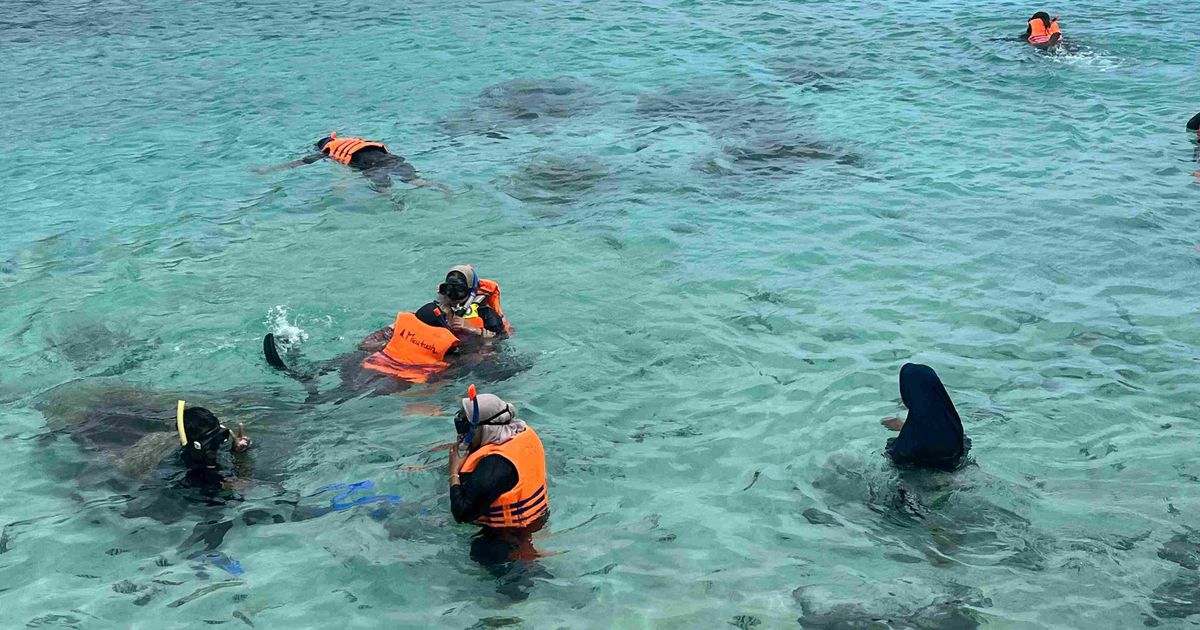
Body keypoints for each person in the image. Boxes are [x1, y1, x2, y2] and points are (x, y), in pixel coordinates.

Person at [447, 386, 549, 599]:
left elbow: (462, 514)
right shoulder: (518, 434)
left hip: (504, 536)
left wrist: (453, 472)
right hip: (535, 519)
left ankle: (510, 609)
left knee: (484, 557)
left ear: (483, 429)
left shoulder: (495, 465)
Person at [254, 131, 438, 189]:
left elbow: (296, 164)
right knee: (418, 181)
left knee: (383, 191)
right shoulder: (356, 141)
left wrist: (267, 171)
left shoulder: (327, 152)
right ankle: (443, 188)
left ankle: (396, 206)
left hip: (373, 167)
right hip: (393, 159)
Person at [881, 363, 970, 470]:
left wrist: (902, 431)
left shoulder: (908, 442)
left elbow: (898, 457)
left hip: (916, 474)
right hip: (954, 464)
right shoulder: (952, 421)